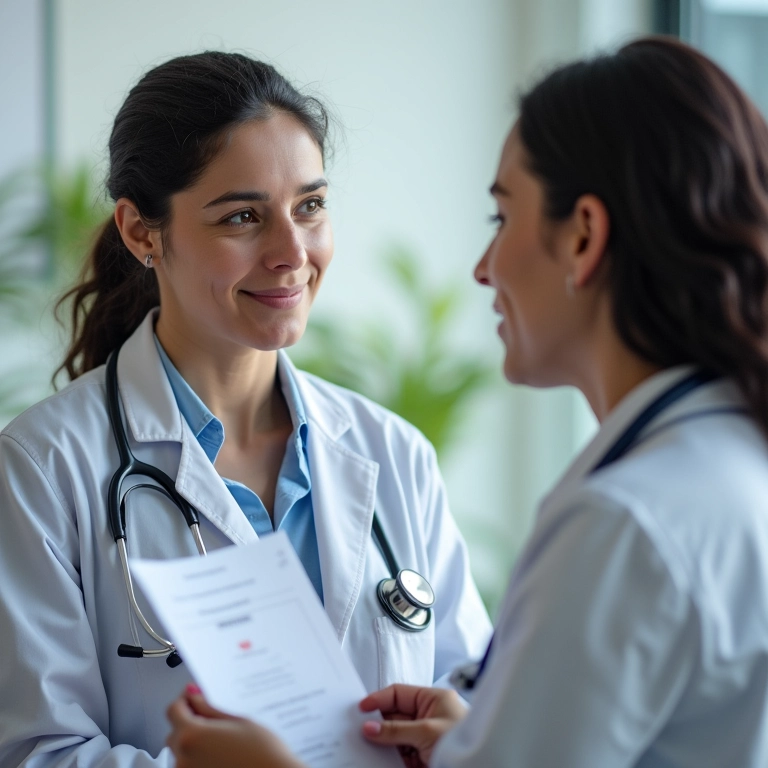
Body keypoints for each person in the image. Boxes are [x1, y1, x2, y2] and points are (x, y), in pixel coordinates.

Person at [165, 35, 768, 768]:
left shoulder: (623, 522)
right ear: (143, 232)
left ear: (583, 238)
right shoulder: (733, 459)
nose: (484, 268)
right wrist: (479, 743)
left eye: (501, 219)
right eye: (241, 217)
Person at [0, 52, 491, 766]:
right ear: (142, 232)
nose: (292, 252)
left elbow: (471, 688)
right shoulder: (43, 469)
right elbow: (38, 753)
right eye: (242, 217)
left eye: (310, 207)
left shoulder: (392, 452)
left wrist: (464, 738)